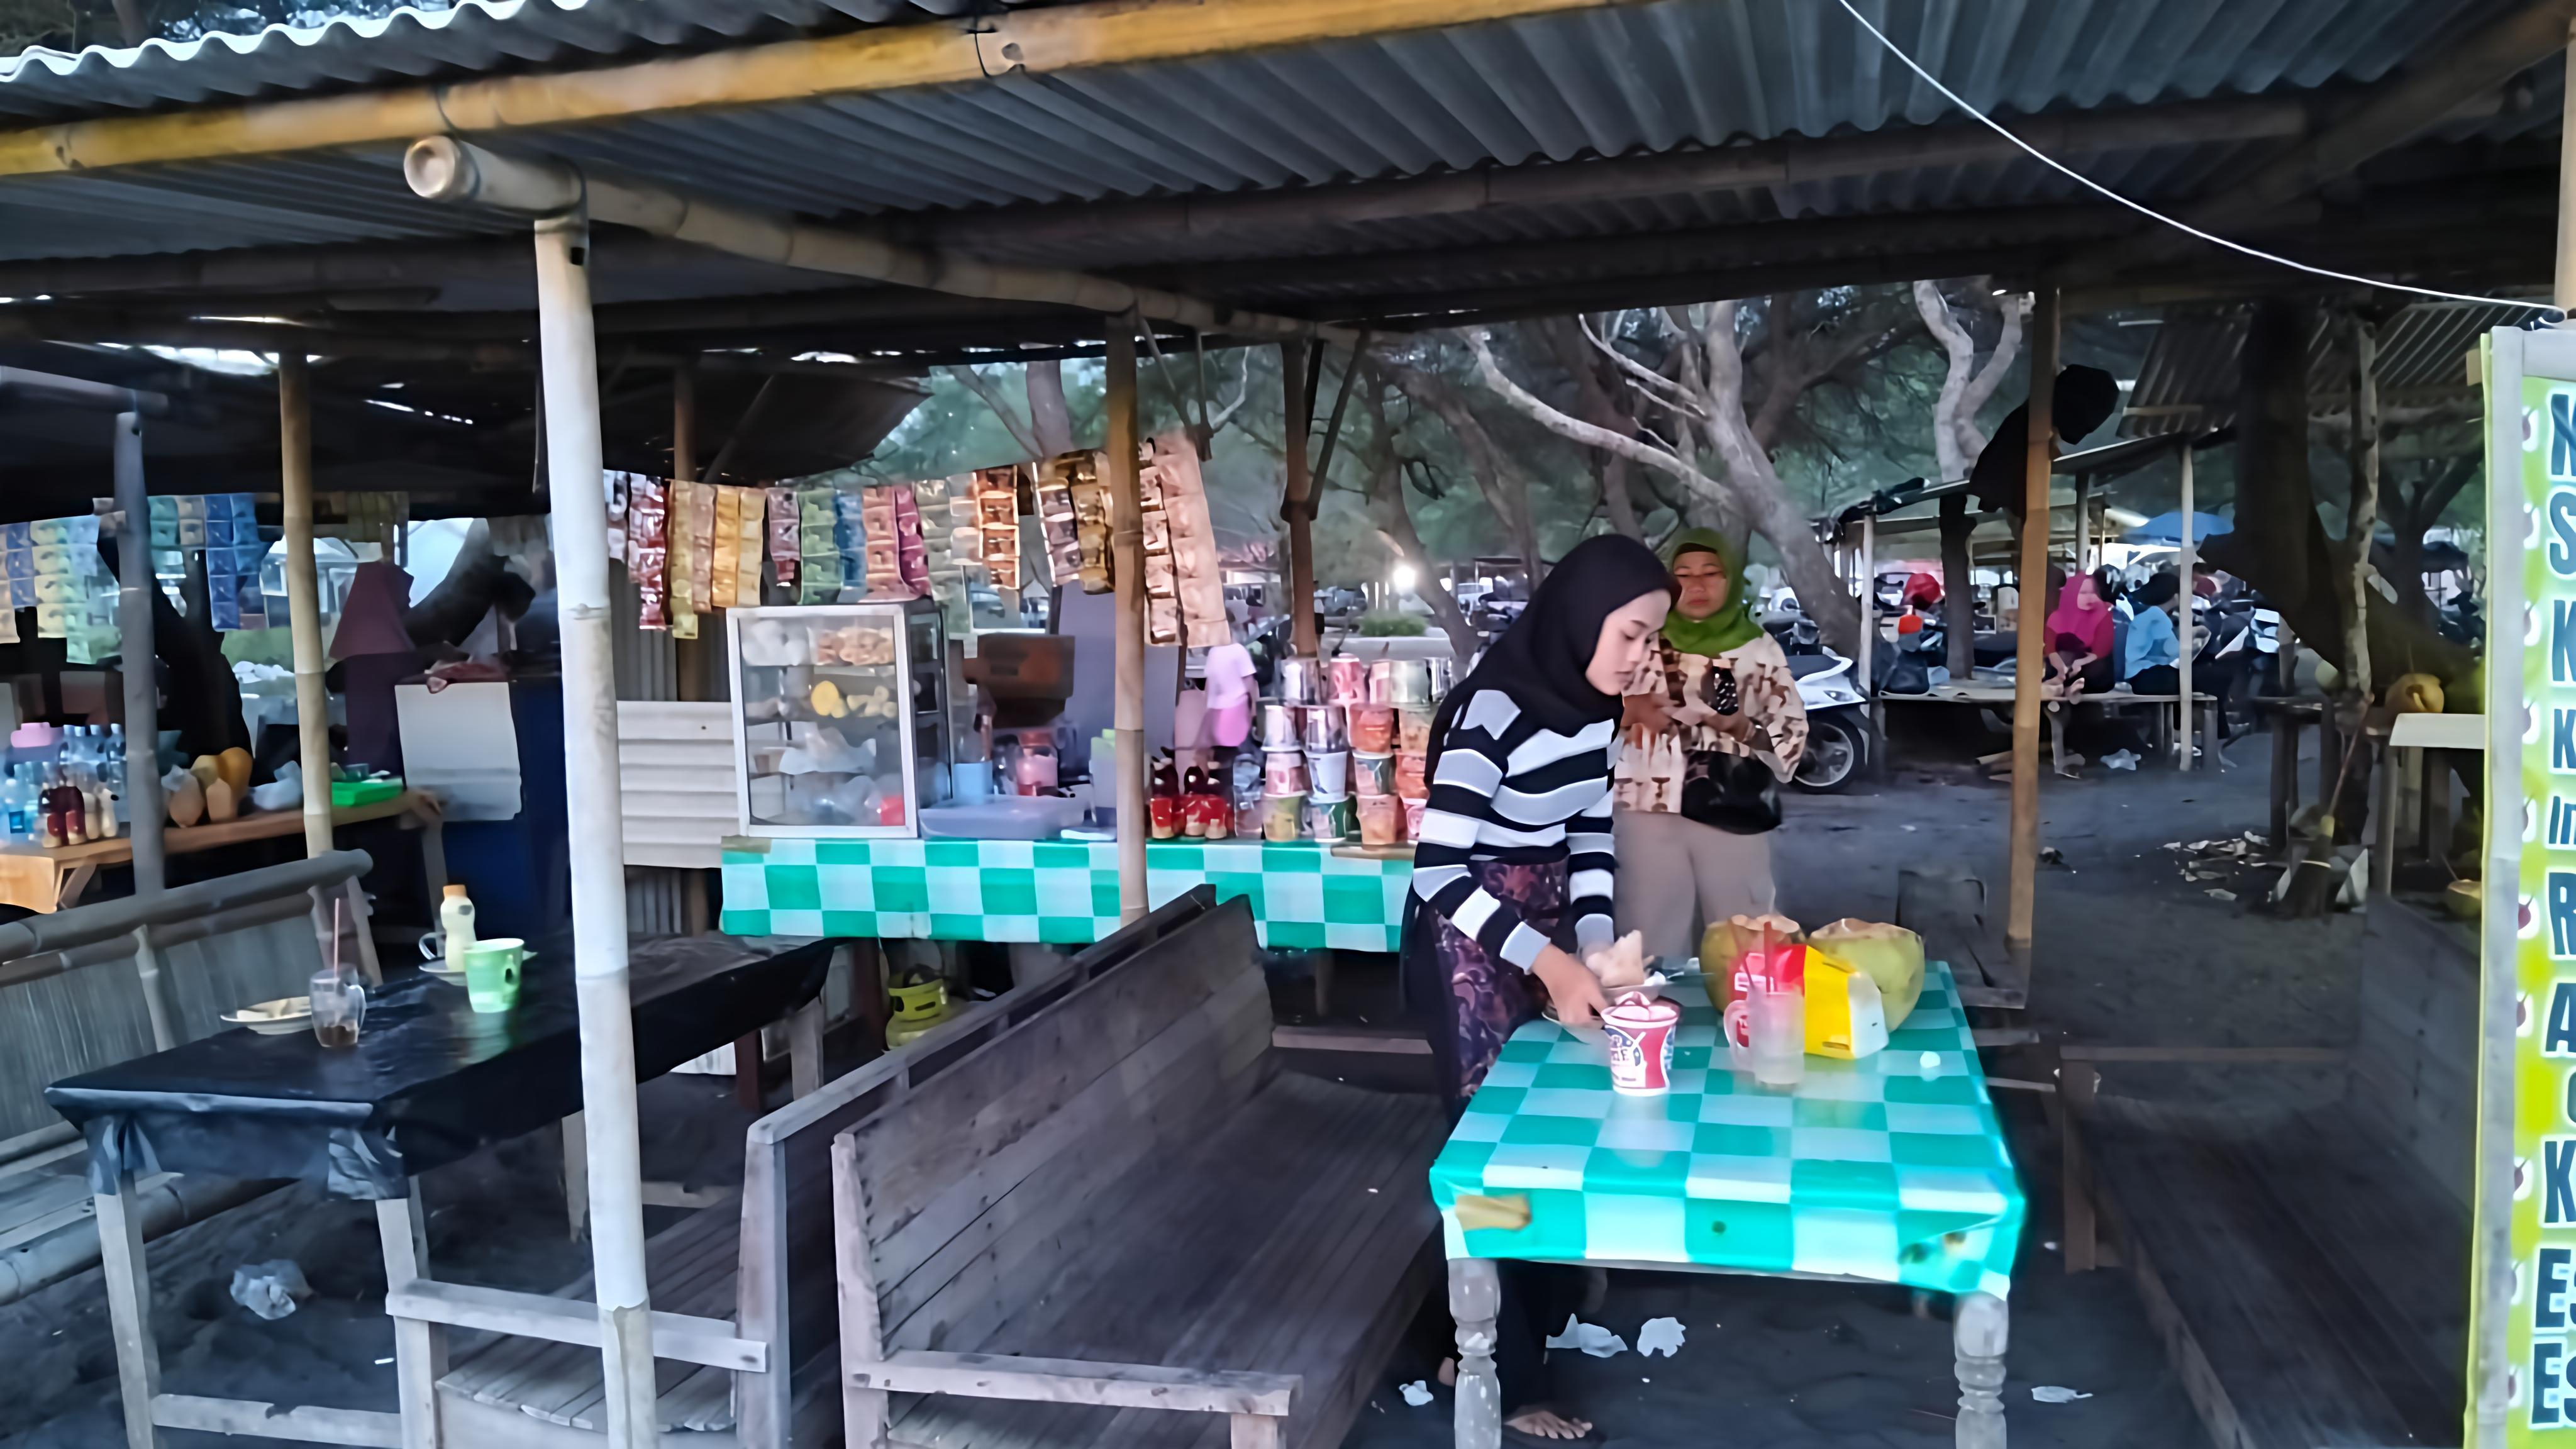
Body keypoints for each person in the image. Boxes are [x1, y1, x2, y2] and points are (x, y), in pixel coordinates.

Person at [1406, 533, 1671, 1443]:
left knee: (1561, 1114)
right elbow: (1439, 869)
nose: (1643, 656)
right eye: (1632, 634)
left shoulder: (1594, 710)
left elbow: (1589, 835)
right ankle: (1510, 1383)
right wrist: (1546, 959)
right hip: (1467, 943)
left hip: (1549, 926)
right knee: (1492, 1149)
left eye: (1651, 640)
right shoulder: (1494, 714)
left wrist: (1593, 947)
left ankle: (1466, 1334)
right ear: (1581, 617)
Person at [1612, 528, 1809, 962]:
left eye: (1711, 573)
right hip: (1645, 808)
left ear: (1731, 579)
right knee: (1645, 934)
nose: (1697, 586)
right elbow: (1589, 706)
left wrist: (1741, 727)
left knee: (1748, 931)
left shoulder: (1760, 650)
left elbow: (1792, 738)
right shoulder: (1636, 643)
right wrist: (1629, 707)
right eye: (1683, 574)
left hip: (1730, 805)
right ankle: (1650, 1020)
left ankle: (1756, 1023)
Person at [2043, 569, 2116, 699]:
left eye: (2093, 592)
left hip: (2095, 677)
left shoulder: (2103, 616)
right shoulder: (2056, 618)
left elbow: (2101, 651)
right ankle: (2063, 686)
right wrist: (2061, 669)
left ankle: (2066, 687)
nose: (2089, 597)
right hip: (2062, 672)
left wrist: (2080, 663)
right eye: (2083, 593)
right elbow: (2050, 648)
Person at [2124, 572, 2184, 694]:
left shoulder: (2136, 608)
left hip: (2125, 674)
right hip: (2139, 677)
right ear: (2176, 596)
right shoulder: (2156, 617)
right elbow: (2173, 652)